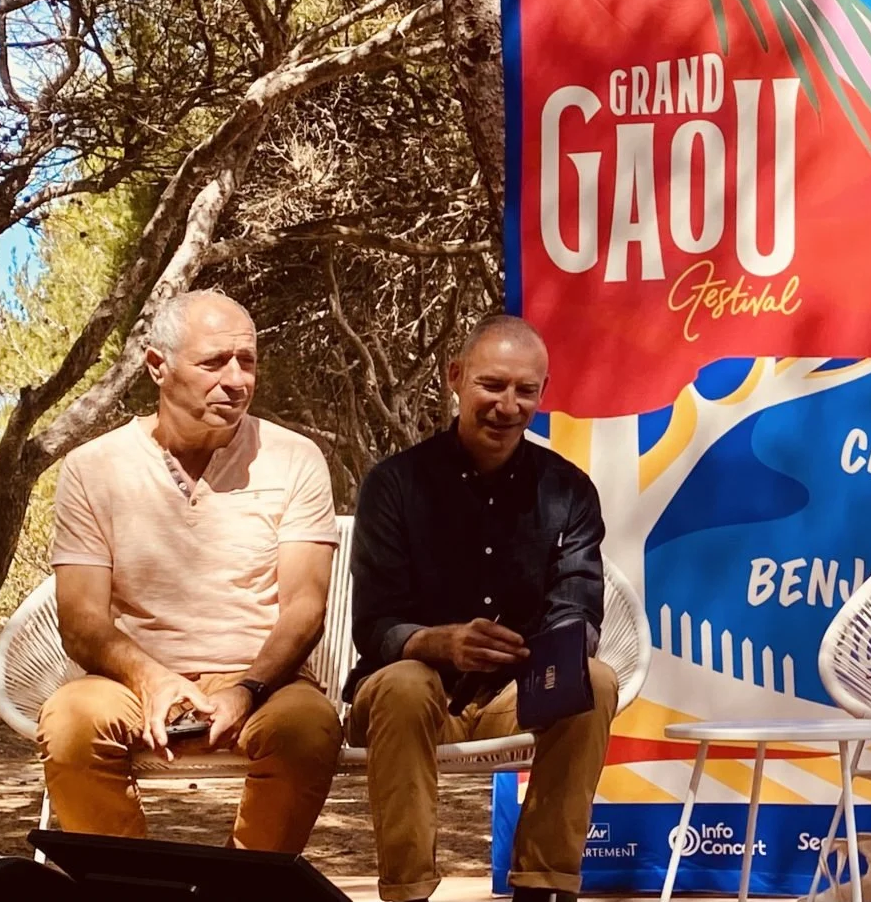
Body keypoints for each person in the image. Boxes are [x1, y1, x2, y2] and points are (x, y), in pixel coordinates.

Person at [38, 289, 343, 850]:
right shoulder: (93, 468)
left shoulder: (294, 457)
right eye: (214, 362)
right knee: (70, 722)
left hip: (263, 681)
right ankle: (124, 886)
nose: (236, 380)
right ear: (158, 366)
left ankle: (244, 885)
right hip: (131, 682)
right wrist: (153, 679)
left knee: (308, 729)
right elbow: (80, 621)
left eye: (247, 361)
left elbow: (306, 607)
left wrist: (248, 688)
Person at [343, 314, 615, 902]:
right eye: (492, 385)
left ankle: (544, 888)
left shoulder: (568, 490)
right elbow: (374, 624)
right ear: (455, 377)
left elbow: (578, 606)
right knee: (406, 685)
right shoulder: (395, 485)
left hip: (515, 698)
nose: (507, 406)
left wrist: (555, 650)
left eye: (525, 391)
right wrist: (440, 642)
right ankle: (408, 892)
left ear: (543, 393)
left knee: (591, 679)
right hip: (409, 699)